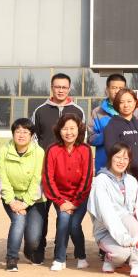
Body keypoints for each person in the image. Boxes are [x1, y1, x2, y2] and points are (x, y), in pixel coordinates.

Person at [31, 72, 85, 263]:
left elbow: (81, 141)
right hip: (43, 171)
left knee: (64, 213)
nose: (60, 90)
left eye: (64, 87)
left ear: (69, 88)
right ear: (52, 87)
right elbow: (33, 140)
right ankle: (38, 249)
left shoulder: (78, 111)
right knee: (41, 213)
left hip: (66, 174)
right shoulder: (40, 111)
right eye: (57, 87)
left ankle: (59, 249)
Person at [42, 112, 94, 271]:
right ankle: (59, 258)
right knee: (64, 220)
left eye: (72, 128)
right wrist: (60, 202)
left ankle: (81, 255)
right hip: (61, 197)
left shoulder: (85, 149)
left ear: (79, 129)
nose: (69, 132)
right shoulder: (52, 150)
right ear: (59, 130)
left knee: (74, 225)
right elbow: (48, 178)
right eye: (65, 128)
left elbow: (87, 178)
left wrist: (75, 202)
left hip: (80, 196)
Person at [0, 118, 45, 272]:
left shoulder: (39, 152)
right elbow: (3, 179)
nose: (21, 135)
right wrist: (12, 202)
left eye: (25, 132)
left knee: (33, 240)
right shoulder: (4, 151)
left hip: (35, 199)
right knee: (18, 220)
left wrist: (24, 203)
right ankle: (11, 258)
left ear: (32, 135)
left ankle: (29, 250)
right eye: (18, 131)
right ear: (13, 134)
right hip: (12, 197)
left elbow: (37, 181)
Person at [88, 143, 138, 277]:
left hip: (127, 226)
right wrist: (124, 238)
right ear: (110, 158)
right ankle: (110, 259)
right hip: (105, 229)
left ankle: (137, 263)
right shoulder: (100, 181)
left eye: (125, 158)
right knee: (121, 255)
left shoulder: (131, 181)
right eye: (118, 157)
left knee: (134, 225)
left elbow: (136, 207)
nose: (121, 161)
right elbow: (107, 214)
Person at [102, 88, 138, 180]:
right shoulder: (112, 125)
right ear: (117, 104)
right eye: (121, 102)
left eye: (129, 101)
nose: (126, 105)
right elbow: (111, 152)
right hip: (123, 175)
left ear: (135, 102)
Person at [89, 74, 126, 172]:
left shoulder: (133, 111)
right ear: (107, 89)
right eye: (114, 88)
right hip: (104, 166)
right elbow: (90, 138)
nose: (117, 91)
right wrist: (107, 134)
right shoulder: (97, 112)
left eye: (121, 88)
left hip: (127, 166)